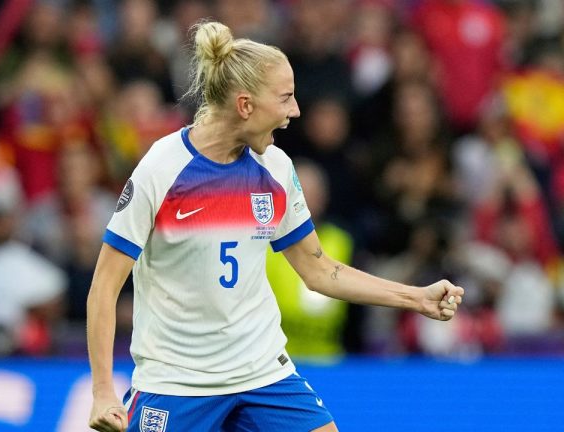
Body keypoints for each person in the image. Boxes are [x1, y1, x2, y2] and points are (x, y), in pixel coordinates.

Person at [87, 21, 464, 432]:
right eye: (285, 98)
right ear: (245, 105)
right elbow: (105, 287)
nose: (295, 111)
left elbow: (321, 270)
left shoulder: (276, 168)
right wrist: (104, 391)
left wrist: (417, 298)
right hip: (177, 382)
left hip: (262, 373)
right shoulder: (162, 168)